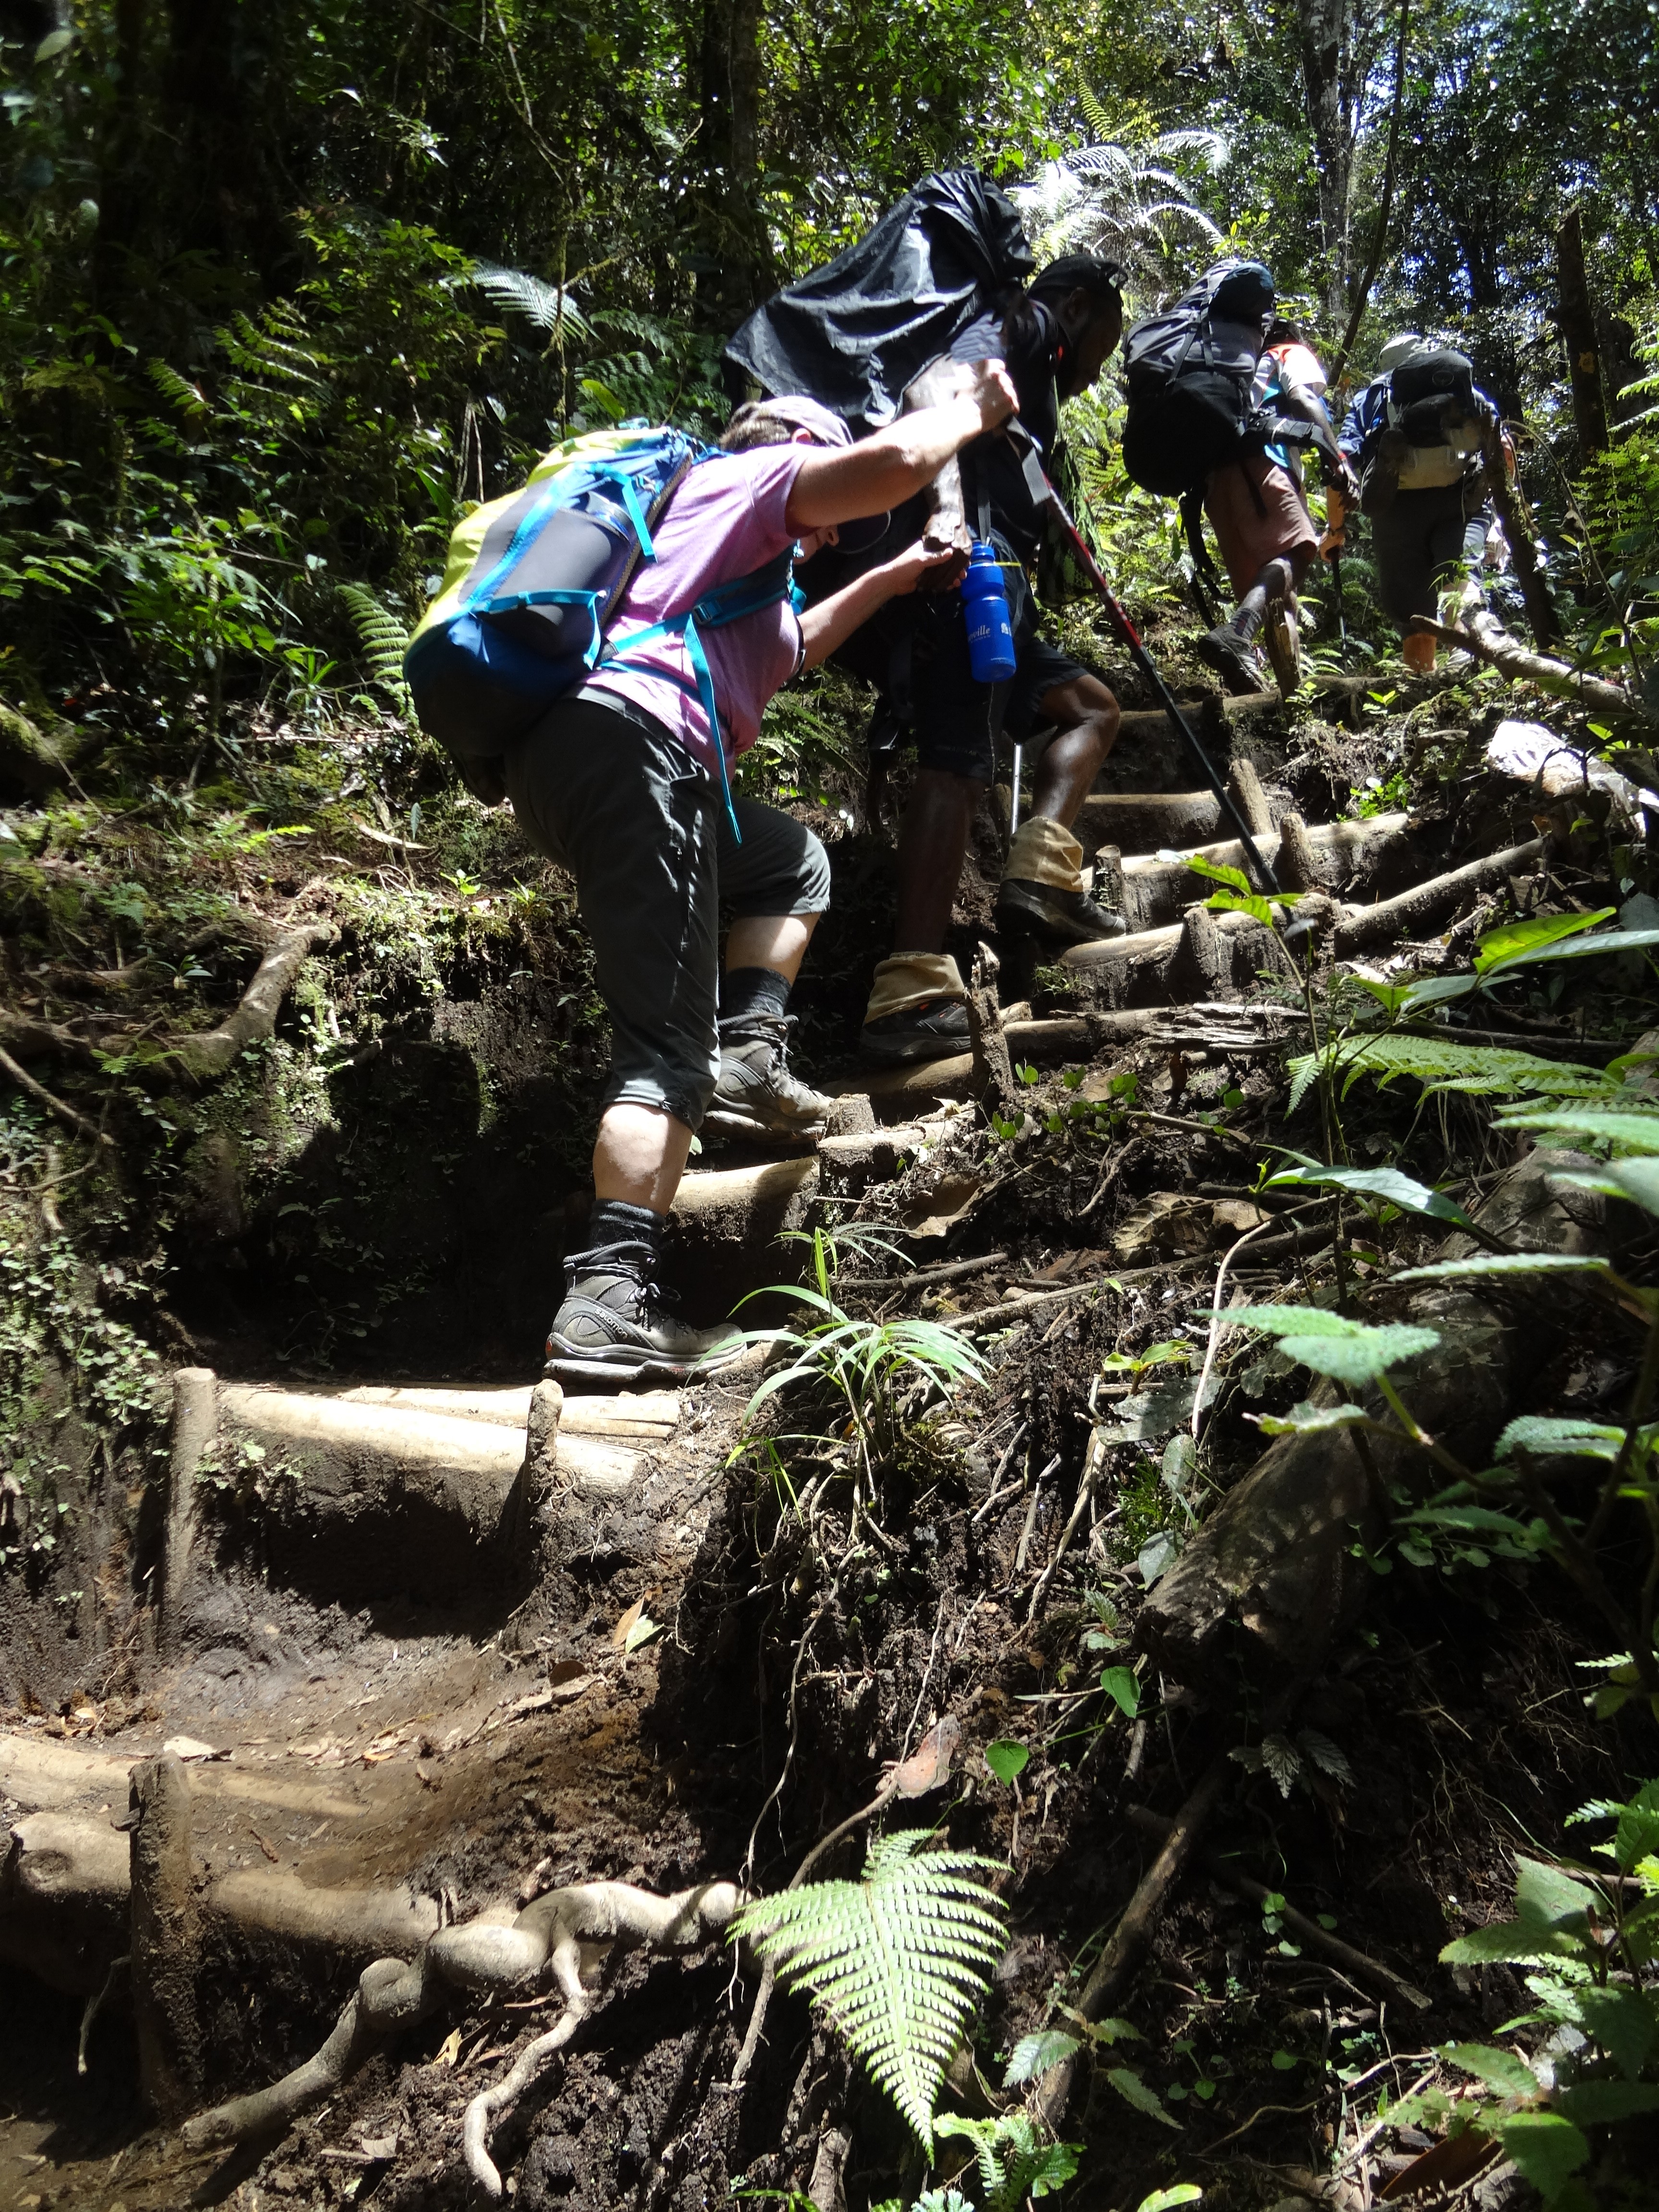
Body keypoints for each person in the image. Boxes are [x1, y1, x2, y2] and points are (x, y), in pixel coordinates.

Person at [505, 371, 1019, 1383]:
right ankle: (608, 1298)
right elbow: (895, 465)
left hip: (591, 757)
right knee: (662, 1051)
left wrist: (893, 573)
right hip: (641, 751)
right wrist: (974, 414)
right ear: (790, 446)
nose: (828, 534)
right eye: (824, 516)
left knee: (792, 861)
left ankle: (749, 1054)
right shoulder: (743, 477)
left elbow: (793, 649)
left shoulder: (722, 569)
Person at [812, 255, 1130, 1067]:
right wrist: (948, 516)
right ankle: (908, 995)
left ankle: (1039, 871)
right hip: (966, 575)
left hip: (990, 589)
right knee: (954, 765)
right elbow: (932, 392)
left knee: (1092, 706)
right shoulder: (1026, 323)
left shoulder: (1032, 355)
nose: (1098, 368)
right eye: (1108, 342)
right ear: (1083, 308)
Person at [1194, 316, 1358, 695]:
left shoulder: (1238, 372)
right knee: (1301, 550)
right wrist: (1338, 458)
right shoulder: (1286, 352)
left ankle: (1277, 695)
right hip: (1262, 464)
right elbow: (1303, 398)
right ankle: (1238, 633)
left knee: (1278, 596)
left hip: (1216, 484)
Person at [1328, 331, 1507, 674]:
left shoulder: (1372, 398)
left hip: (1396, 507)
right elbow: (1504, 448)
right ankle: (1468, 662)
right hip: (1461, 500)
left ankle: (1421, 690)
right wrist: (1501, 516)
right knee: (1459, 576)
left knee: (1415, 617)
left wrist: (1335, 529)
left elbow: (1342, 463)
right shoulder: (1460, 388)